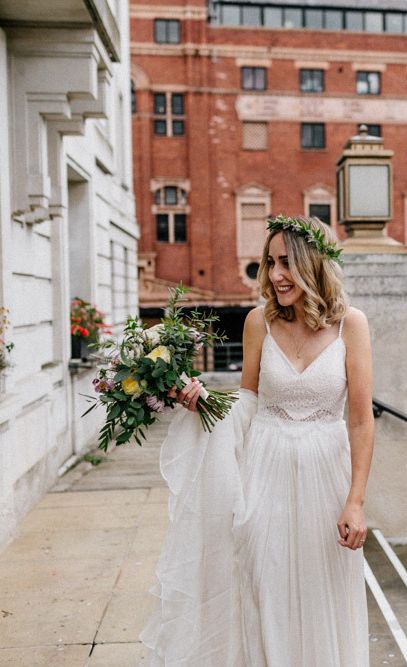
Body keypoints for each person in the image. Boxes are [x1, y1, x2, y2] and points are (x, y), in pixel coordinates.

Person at [141, 216, 373, 666]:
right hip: (264, 473)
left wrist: (356, 501)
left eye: (286, 262)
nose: (275, 275)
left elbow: (361, 421)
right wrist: (204, 401)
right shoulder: (257, 322)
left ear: (314, 264)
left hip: (326, 479)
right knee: (261, 588)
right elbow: (248, 401)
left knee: (322, 593)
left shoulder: (352, 326)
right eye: (270, 263)